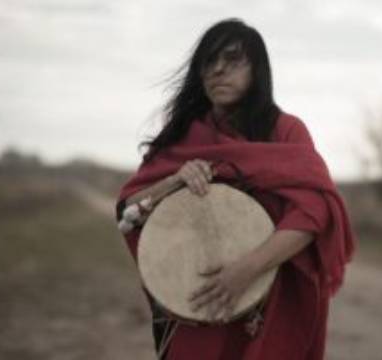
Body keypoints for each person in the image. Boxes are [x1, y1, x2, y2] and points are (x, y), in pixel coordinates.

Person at [115, 18, 355, 360]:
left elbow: (313, 214)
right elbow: (129, 209)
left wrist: (246, 270)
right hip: (198, 300)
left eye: (232, 59)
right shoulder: (184, 134)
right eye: (209, 62)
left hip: (268, 302)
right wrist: (175, 181)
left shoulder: (285, 131)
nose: (218, 70)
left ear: (257, 70)